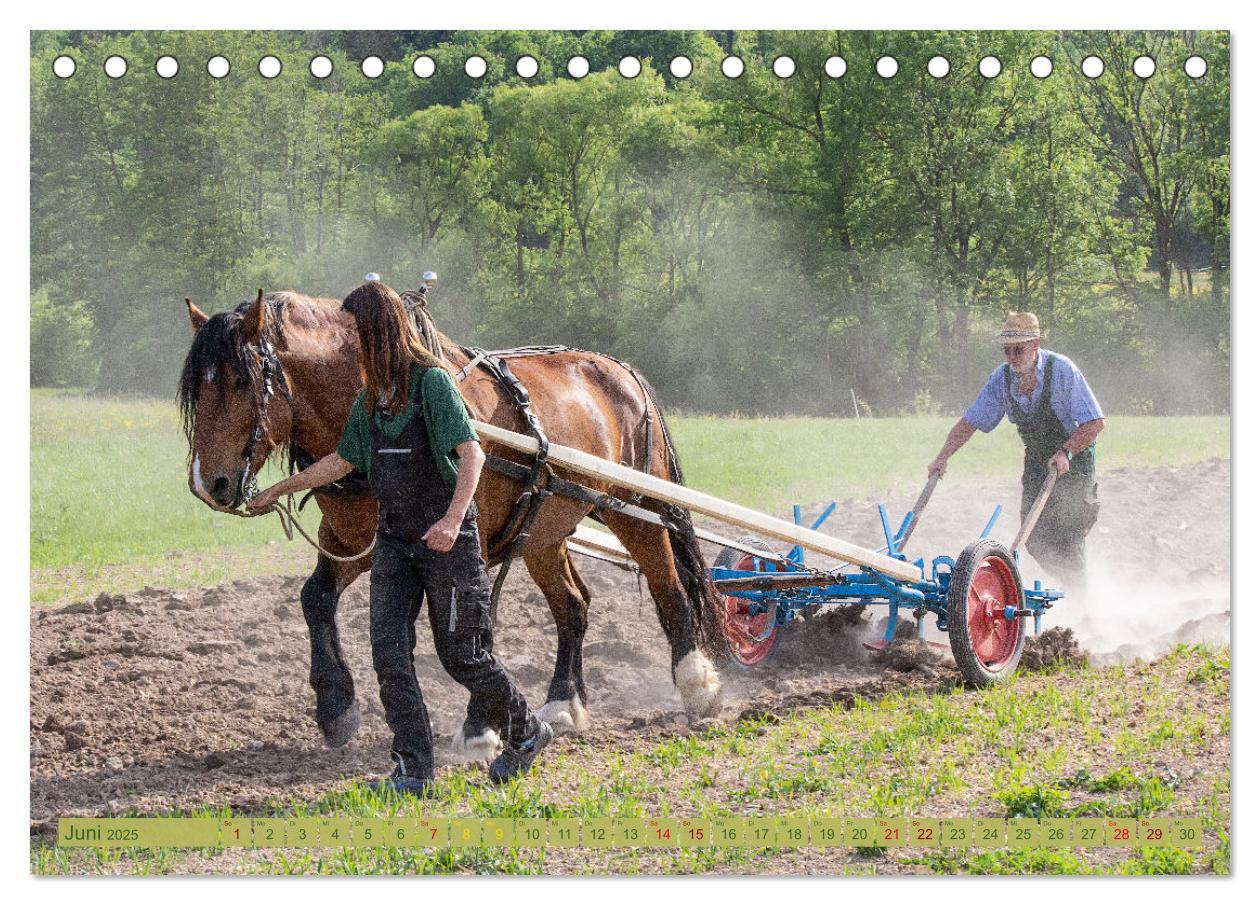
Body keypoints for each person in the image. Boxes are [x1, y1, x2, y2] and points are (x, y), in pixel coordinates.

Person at [248, 280, 552, 795]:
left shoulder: (431, 385)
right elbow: (344, 460)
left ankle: (527, 732)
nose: (350, 344)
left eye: (356, 334)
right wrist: (280, 487)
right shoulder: (372, 398)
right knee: (389, 655)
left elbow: (472, 454)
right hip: (395, 541)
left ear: (380, 332)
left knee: (464, 656)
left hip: (447, 542)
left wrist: (454, 520)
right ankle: (413, 769)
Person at [928, 312, 1106, 584]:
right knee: (1034, 538)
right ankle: (1074, 583)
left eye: (1018, 349)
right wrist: (942, 457)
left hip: (1075, 461)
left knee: (1069, 534)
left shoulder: (1062, 370)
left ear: (1035, 345)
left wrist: (1066, 451)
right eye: (1007, 350)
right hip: (1037, 461)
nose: (1012, 357)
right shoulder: (1002, 379)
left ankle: (1083, 597)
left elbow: (1094, 422)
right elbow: (970, 421)